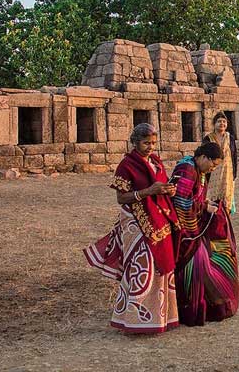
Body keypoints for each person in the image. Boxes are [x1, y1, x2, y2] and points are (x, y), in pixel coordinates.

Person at [83, 123, 180, 334]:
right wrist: (147, 191)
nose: (150, 147)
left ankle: (161, 316)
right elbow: (121, 198)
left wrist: (168, 191)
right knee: (142, 268)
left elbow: (160, 187)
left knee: (160, 268)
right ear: (135, 143)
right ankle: (136, 319)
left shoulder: (156, 162)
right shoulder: (126, 165)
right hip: (137, 223)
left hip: (159, 221)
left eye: (153, 143)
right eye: (146, 143)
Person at [170, 142, 239, 326]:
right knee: (199, 266)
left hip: (192, 229)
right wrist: (204, 207)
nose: (213, 168)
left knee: (204, 263)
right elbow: (180, 202)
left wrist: (205, 201)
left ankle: (209, 304)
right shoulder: (187, 169)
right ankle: (194, 308)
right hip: (184, 232)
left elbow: (193, 197)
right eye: (213, 164)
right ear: (203, 157)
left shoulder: (199, 172)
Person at [202, 112, 238, 216]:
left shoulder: (230, 138)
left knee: (226, 200)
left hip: (227, 174)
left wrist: (234, 175)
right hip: (211, 174)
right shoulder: (208, 139)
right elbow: (203, 157)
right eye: (219, 121)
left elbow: (234, 156)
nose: (222, 123)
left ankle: (225, 220)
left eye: (224, 121)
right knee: (210, 198)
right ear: (214, 124)